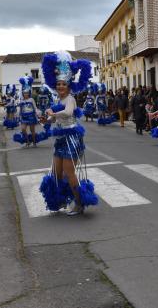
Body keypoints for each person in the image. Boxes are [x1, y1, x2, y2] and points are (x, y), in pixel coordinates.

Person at [39, 51, 97, 216]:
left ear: (69, 85)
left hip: (72, 139)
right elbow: (55, 119)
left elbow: (68, 112)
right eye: (58, 84)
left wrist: (53, 114)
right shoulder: (57, 100)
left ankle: (79, 203)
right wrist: (46, 120)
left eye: (63, 84)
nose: (61, 87)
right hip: (60, 140)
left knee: (69, 172)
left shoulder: (70, 99)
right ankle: (62, 199)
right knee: (56, 173)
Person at [14, 77, 40, 147]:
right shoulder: (21, 101)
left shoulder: (31, 99)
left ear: (29, 93)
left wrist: (37, 114)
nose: (26, 94)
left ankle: (34, 142)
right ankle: (28, 141)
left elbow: (35, 107)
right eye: (24, 93)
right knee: (23, 129)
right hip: (24, 117)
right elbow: (20, 109)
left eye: (27, 93)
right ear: (22, 93)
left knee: (32, 131)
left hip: (31, 116)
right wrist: (18, 116)